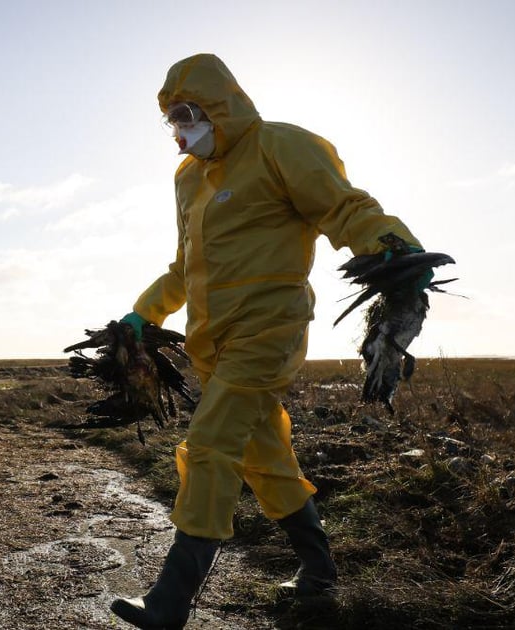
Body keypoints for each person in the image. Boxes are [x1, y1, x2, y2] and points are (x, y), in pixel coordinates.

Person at [109, 53, 427, 629]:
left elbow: (346, 207)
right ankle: (318, 571)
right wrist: (138, 317)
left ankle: (169, 602)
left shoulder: (282, 146)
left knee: (208, 446)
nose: (181, 131)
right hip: (213, 342)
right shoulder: (188, 180)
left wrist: (393, 248)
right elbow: (185, 269)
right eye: (171, 120)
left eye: (188, 114)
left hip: (270, 328)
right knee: (265, 459)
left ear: (219, 105)